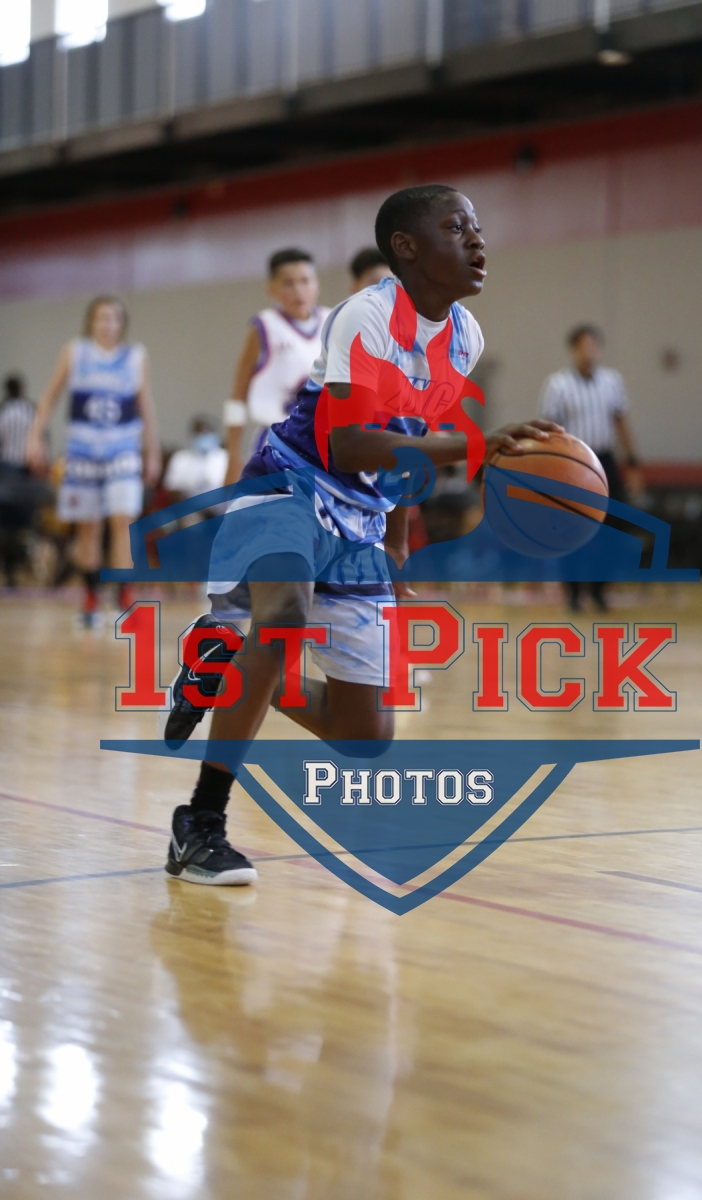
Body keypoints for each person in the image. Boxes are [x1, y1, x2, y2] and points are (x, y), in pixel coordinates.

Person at [162, 183, 561, 886]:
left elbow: (409, 442)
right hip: (288, 481)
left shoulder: (464, 337)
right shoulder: (366, 316)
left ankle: (220, 661)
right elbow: (348, 444)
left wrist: (398, 544)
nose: (477, 239)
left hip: (363, 517)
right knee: (283, 617)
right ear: (406, 248)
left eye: (476, 226)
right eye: (457, 227)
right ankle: (200, 821)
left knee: (363, 736)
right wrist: (473, 445)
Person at [27, 295, 161, 625]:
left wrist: (152, 450)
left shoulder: (135, 356)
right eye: (102, 318)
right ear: (91, 321)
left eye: (114, 318)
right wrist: (34, 436)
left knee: (124, 522)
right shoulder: (75, 352)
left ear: (122, 324)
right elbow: (50, 396)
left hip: (122, 450)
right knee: (88, 526)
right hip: (83, 451)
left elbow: (145, 404)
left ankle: (124, 596)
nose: (108, 324)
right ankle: (90, 598)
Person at [539, 323, 643, 612]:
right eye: (584, 346)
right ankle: (573, 593)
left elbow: (620, 421)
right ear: (573, 350)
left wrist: (633, 461)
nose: (590, 351)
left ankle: (599, 591)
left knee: (613, 528)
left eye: (594, 345)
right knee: (571, 528)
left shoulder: (612, 381)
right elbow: (550, 429)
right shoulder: (558, 385)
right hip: (573, 462)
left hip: (605, 460)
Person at [223, 249, 330, 486]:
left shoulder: (333, 322)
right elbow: (237, 397)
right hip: (278, 443)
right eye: (288, 283)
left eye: (305, 281)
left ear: (317, 284)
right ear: (271, 289)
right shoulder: (263, 327)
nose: (298, 290)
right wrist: (233, 455)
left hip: (327, 444)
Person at [0, 375, 39, 587]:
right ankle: (19, 565)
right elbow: (40, 440)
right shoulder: (29, 411)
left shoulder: (4, 410)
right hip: (25, 472)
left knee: (7, 527)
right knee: (22, 526)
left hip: (7, 470)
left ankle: (10, 569)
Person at [164, 415, 228, 509]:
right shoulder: (181, 458)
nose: (203, 435)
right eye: (199, 432)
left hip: (221, 510)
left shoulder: (225, 458)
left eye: (207, 432)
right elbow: (172, 490)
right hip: (190, 510)